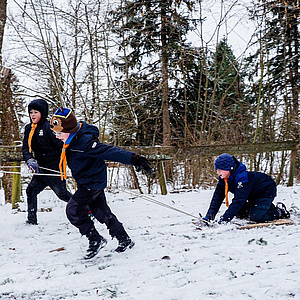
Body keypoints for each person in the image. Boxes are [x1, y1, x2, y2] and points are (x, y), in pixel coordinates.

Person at [50, 107, 153, 259]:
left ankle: (95, 239)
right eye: (55, 133)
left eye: (59, 133)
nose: (57, 137)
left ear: (70, 130)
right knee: (101, 212)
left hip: (92, 183)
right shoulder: (68, 139)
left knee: (73, 210)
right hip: (89, 181)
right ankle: (124, 239)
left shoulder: (85, 142)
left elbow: (109, 151)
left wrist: (134, 159)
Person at [22, 99, 72, 225]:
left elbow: (61, 145)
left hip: (54, 168)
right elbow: (25, 148)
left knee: (62, 194)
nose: (32, 115)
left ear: (43, 113)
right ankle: (31, 220)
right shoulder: (29, 129)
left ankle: (88, 210)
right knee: (31, 191)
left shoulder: (50, 127)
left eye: (36, 112)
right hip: (40, 169)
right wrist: (30, 159)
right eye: (31, 112)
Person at [202, 153, 290, 224]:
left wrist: (224, 220)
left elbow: (238, 201)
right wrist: (209, 217)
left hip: (266, 190)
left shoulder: (242, 179)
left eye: (221, 169)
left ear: (229, 168)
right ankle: (263, 207)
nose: (218, 172)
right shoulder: (224, 179)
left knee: (256, 216)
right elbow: (217, 198)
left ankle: (279, 212)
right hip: (251, 194)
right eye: (217, 170)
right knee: (240, 214)